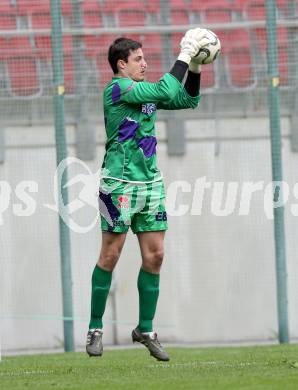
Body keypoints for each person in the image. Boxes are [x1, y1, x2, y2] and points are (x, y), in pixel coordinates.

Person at [86, 30, 206, 361]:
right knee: (110, 255)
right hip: (117, 185)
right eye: (139, 59)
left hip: (150, 184)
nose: (145, 63)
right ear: (121, 64)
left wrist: (195, 66)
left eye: (145, 58)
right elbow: (168, 87)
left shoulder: (145, 91)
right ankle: (95, 327)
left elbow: (187, 99)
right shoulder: (118, 88)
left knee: (155, 256)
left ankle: (145, 329)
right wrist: (184, 53)